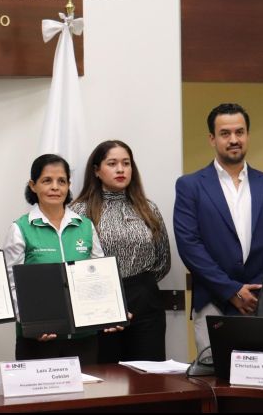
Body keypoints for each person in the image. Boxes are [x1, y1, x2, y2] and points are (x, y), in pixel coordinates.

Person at [174, 103, 263, 354]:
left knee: (262, 379)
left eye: (239, 132)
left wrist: (261, 289)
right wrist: (231, 290)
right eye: (225, 133)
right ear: (212, 138)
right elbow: (189, 245)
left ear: (248, 135)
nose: (233, 140)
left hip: (260, 301)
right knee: (216, 380)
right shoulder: (190, 186)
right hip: (213, 300)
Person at [71, 141, 171, 363]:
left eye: (126, 163)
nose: (120, 169)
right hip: (98, 300)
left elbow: (163, 260)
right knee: (108, 379)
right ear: (96, 170)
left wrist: (137, 287)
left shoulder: (148, 208)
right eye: (112, 163)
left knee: (149, 378)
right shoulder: (78, 211)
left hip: (145, 299)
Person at [3, 154, 106, 364]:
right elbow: (11, 285)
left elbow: (100, 277)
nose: (55, 187)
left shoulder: (85, 226)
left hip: (83, 338)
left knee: (86, 395)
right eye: (47, 181)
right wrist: (33, 324)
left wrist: (108, 313)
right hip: (37, 339)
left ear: (68, 185)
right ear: (33, 185)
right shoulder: (20, 228)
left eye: (62, 181)